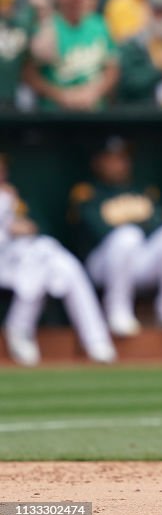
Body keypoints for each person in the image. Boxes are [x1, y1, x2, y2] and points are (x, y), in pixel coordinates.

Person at [68, 137, 162, 339]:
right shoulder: (87, 193)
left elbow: (159, 225)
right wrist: (138, 225)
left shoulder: (144, 191)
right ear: (98, 162)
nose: (120, 164)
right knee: (127, 236)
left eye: (123, 158)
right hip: (103, 263)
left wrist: (134, 225)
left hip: (140, 259)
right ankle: (117, 310)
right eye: (112, 159)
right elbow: (99, 230)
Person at [1, 154, 116, 366]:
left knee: (66, 265)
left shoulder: (14, 197)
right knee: (41, 256)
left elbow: (40, 228)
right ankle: (19, 328)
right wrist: (7, 230)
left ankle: (96, 340)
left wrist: (20, 221)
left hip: (21, 260)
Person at [24, 0, 119, 111]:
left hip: (94, 112)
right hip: (55, 115)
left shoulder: (99, 24)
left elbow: (112, 68)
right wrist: (61, 95)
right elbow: (29, 73)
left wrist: (94, 92)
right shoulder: (46, 27)